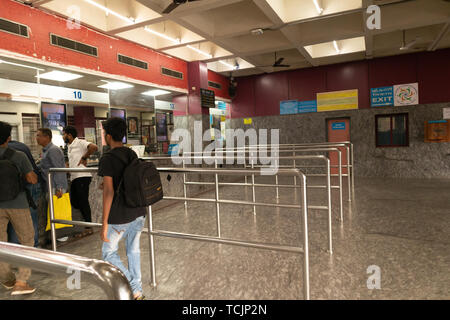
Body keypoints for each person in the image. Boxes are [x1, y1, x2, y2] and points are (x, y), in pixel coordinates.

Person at [98, 118, 146, 300]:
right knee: (133, 251)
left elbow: (109, 191)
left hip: (120, 216)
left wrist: (104, 223)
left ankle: (134, 289)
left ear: (108, 136)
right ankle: (138, 290)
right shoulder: (131, 154)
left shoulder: (107, 158)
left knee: (108, 252)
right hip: (138, 212)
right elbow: (126, 180)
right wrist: (108, 185)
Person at [0, 121, 38, 295]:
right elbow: (32, 179)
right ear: (8, 138)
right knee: (27, 241)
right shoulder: (18, 155)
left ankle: (7, 279)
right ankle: (22, 282)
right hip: (18, 204)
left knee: (1, 243)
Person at [63, 126, 98, 237]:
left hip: (82, 176)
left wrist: (84, 157)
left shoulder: (79, 142)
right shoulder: (69, 146)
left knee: (83, 202)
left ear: (69, 134)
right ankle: (86, 223)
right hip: (74, 177)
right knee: (75, 202)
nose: (63, 136)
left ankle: (88, 227)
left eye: (64, 134)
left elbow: (94, 147)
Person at [36, 128, 69, 244]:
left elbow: (58, 170)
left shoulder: (53, 150)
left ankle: (61, 235)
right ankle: (54, 236)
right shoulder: (46, 150)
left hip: (55, 187)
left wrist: (59, 188)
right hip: (49, 185)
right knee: (52, 212)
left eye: (39, 136)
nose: (37, 138)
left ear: (47, 137)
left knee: (57, 212)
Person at [7, 140, 41, 248]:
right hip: (29, 186)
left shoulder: (11, 150)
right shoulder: (20, 146)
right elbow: (33, 177)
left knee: (16, 220)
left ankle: (17, 252)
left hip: (18, 190)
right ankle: (33, 247)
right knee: (31, 216)